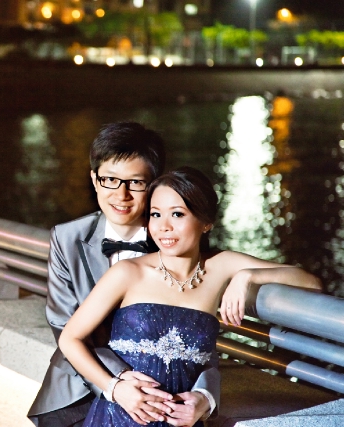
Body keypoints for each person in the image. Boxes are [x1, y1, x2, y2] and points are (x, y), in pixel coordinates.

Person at [58, 167, 322, 426]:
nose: (163, 227)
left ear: (206, 222)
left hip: (183, 420)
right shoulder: (128, 272)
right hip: (121, 415)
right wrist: (114, 388)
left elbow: (310, 283)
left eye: (177, 214)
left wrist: (248, 277)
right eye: (155, 214)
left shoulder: (221, 266)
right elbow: (70, 338)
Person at [28, 123, 220, 426]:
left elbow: (198, 334)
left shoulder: (176, 238)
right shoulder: (67, 237)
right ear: (94, 179)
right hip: (78, 391)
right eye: (110, 180)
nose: (122, 194)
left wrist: (207, 397)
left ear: (155, 184)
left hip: (163, 397)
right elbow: (63, 325)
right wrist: (118, 384)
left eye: (135, 183)